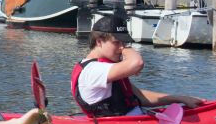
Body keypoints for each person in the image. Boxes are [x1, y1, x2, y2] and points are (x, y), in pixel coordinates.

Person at [72, 15, 203, 117]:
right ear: (99, 42)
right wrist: (127, 51)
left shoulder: (105, 68)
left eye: (124, 43)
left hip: (136, 118)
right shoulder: (93, 70)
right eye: (117, 42)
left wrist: (180, 99)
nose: (122, 47)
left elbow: (139, 96)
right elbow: (137, 63)